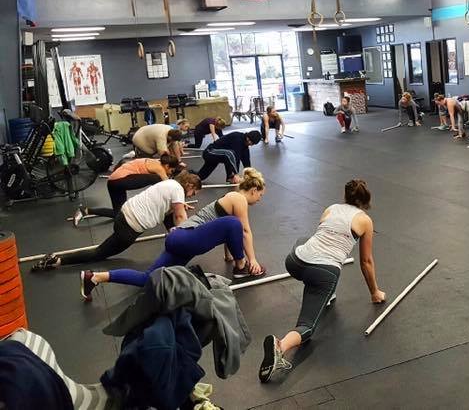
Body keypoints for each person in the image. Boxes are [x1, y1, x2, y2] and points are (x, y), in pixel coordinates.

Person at [259, 179, 386, 383]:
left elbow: (321, 236)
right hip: (323, 273)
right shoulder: (365, 220)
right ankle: (280, 346)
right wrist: (375, 292)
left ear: (345, 196)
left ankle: (327, 293)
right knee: (307, 327)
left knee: (304, 240)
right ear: (366, 199)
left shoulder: (331, 208)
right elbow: (366, 261)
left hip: (295, 262)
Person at [78, 169, 269, 299]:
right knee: (235, 223)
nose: (260, 200)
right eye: (261, 195)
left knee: (148, 278)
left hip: (179, 239)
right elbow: (243, 231)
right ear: (254, 190)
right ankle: (241, 268)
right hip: (186, 237)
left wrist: (229, 256)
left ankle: (95, 277)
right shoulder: (238, 198)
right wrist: (250, 260)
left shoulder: (230, 198)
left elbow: (229, 234)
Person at [32, 173, 202, 273]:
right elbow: (180, 216)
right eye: (194, 191)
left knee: (100, 251)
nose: (193, 195)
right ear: (189, 184)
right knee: (99, 253)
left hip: (123, 215)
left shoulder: (169, 183)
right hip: (129, 228)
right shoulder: (178, 190)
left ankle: (56, 260)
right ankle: (57, 261)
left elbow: (168, 215)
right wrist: (185, 236)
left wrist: (172, 228)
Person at [74, 154, 181, 224]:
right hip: (119, 181)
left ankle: (85, 210)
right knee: (157, 179)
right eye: (171, 171)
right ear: (167, 166)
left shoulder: (154, 161)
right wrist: (179, 202)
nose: (169, 173)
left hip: (113, 182)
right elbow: (168, 185)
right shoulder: (159, 168)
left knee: (119, 214)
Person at [197, 130, 261, 184]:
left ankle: (230, 177)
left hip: (217, 157)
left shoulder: (245, 146)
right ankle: (231, 177)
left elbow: (246, 162)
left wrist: (251, 176)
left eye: (252, 144)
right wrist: (236, 174)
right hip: (210, 152)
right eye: (250, 141)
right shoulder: (237, 138)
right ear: (248, 137)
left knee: (200, 177)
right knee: (230, 154)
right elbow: (236, 159)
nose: (250, 144)